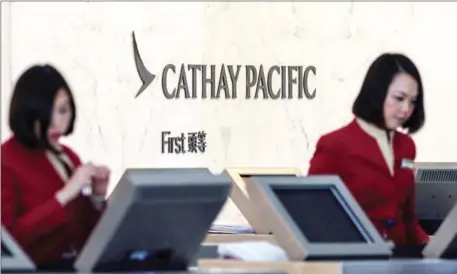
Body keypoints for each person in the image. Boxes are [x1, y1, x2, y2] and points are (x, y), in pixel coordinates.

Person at [307, 53, 429, 257]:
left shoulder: (406, 146)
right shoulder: (336, 145)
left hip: (401, 261)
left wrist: (435, 246)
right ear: (377, 93)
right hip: (355, 260)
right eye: (399, 99)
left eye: (412, 102)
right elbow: (314, 217)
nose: (406, 109)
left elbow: (407, 217)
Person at [1, 64, 110, 269]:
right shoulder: (6, 161)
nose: (57, 124)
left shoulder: (68, 157)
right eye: (46, 114)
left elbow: (87, 239)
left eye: (63, 110)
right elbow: (8, 243)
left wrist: (97, 198)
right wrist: (63, 196)